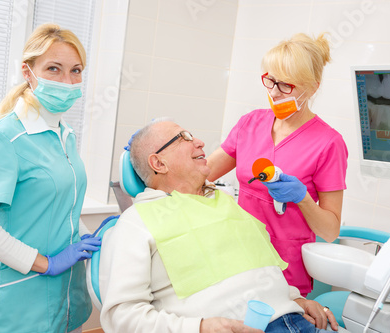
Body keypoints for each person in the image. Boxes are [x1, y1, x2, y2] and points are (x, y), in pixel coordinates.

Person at [99, 119, 341, 333]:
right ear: (158, 163)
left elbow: (256, 269)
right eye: (184, 138)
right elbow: (121, 317)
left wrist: (295, 299)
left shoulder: (224, 202)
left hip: (298, 319)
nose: (201, 142)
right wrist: (200, 328)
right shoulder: (136, 222)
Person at [0, 23, 101, 333]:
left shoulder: (65, 136)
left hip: (69, 297)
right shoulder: (2, 138)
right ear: (28, 73)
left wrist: (86, 238)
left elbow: (64, 205)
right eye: (54, 69)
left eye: (76, 70)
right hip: (22, 298)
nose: (67, 81)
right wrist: (46, 263)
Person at [207, 33, 348, 296]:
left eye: (286, 86)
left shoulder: (329, 143)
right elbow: (204, 172)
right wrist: (160, 158)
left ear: (313, 87)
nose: (273, 92)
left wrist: (303, 199)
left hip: (285, 270)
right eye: (270, 80)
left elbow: (330, 231)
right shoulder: (251, 123)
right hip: (239, 257)